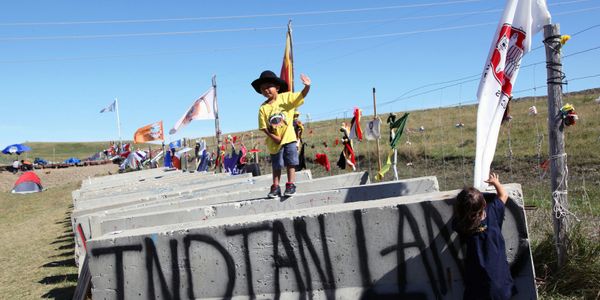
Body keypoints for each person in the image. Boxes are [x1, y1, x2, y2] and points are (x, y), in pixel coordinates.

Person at [453, 173, 515, 300]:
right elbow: (504, 195)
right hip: (501, 286)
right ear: (484, 204)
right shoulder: (492, 211)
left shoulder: (462, 225)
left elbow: (457, 221)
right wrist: (495, 182)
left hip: (477, 289)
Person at [253, 70, 311, 197]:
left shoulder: (286, 98)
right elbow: (263, 127)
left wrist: (307, 86)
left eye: (268, 87)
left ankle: (290, 184)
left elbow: (301, 95)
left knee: (291, 161)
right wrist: (274, 137)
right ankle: (275, 186)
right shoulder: (263, 108)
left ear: (277, 88)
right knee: (277, 164)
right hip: (275, 141)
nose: (266, 90)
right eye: (263, 89)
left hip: (289, 137)